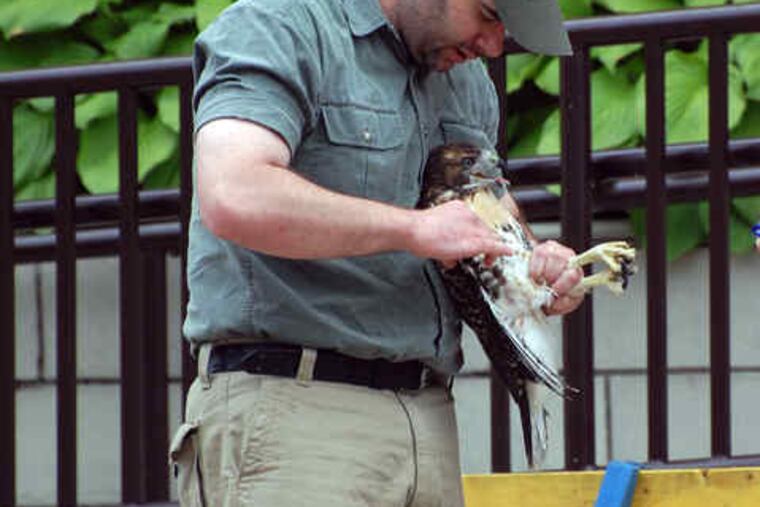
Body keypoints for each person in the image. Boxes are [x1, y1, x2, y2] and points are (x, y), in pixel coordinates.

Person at [169, 1, 584, 506]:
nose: (494, 46)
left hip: (429, 419)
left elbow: (484, 215)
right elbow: (235, 194)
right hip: (292, 413)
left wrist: (532, 269)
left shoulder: (464, 79)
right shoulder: (278, 27)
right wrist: (414, 230)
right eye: (488, 13)